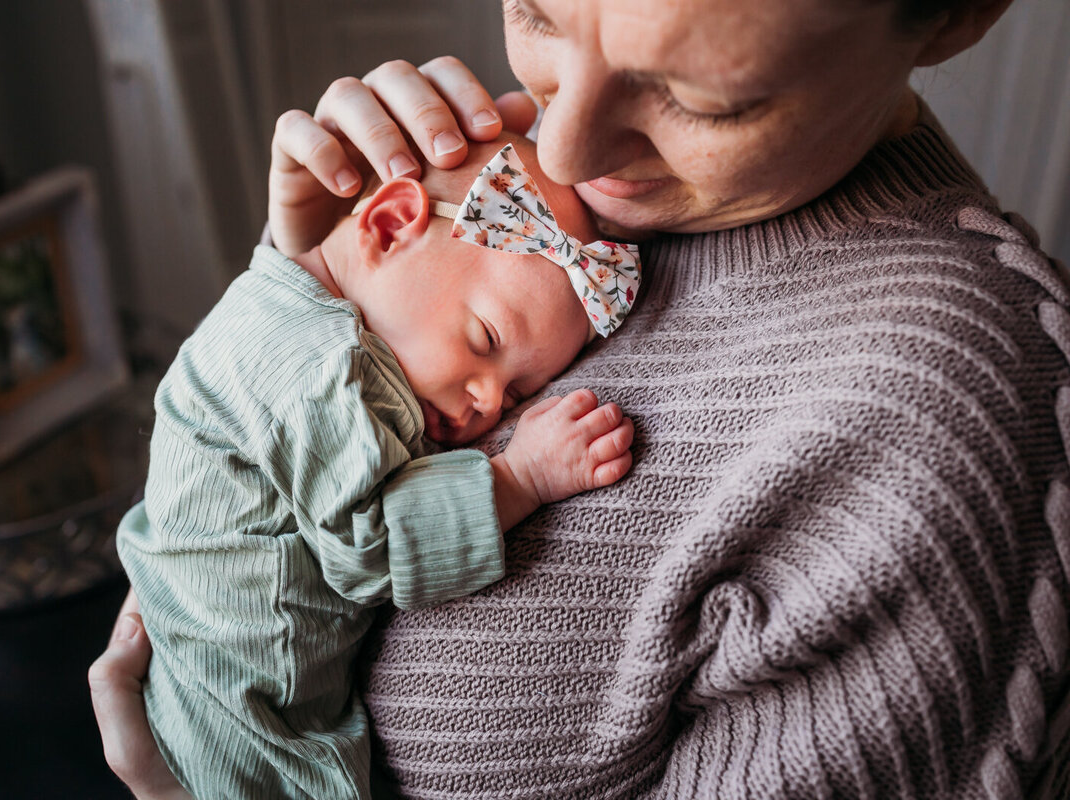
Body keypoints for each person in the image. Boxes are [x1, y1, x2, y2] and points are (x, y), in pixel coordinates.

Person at [92, 0, 1070, 796]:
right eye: (539, 16)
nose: (562, 146)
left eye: (701, 98)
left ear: (956, 15)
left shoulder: (942, 404)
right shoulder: (533, 221)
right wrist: (310, 275)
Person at [114, 136, 638, 799]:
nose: (484, 403)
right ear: (389, 227)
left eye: (515, 395)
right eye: (484, 340)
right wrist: (519, 479)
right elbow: (371, 546)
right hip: (242, 739)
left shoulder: (282, 305)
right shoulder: (324, 366)